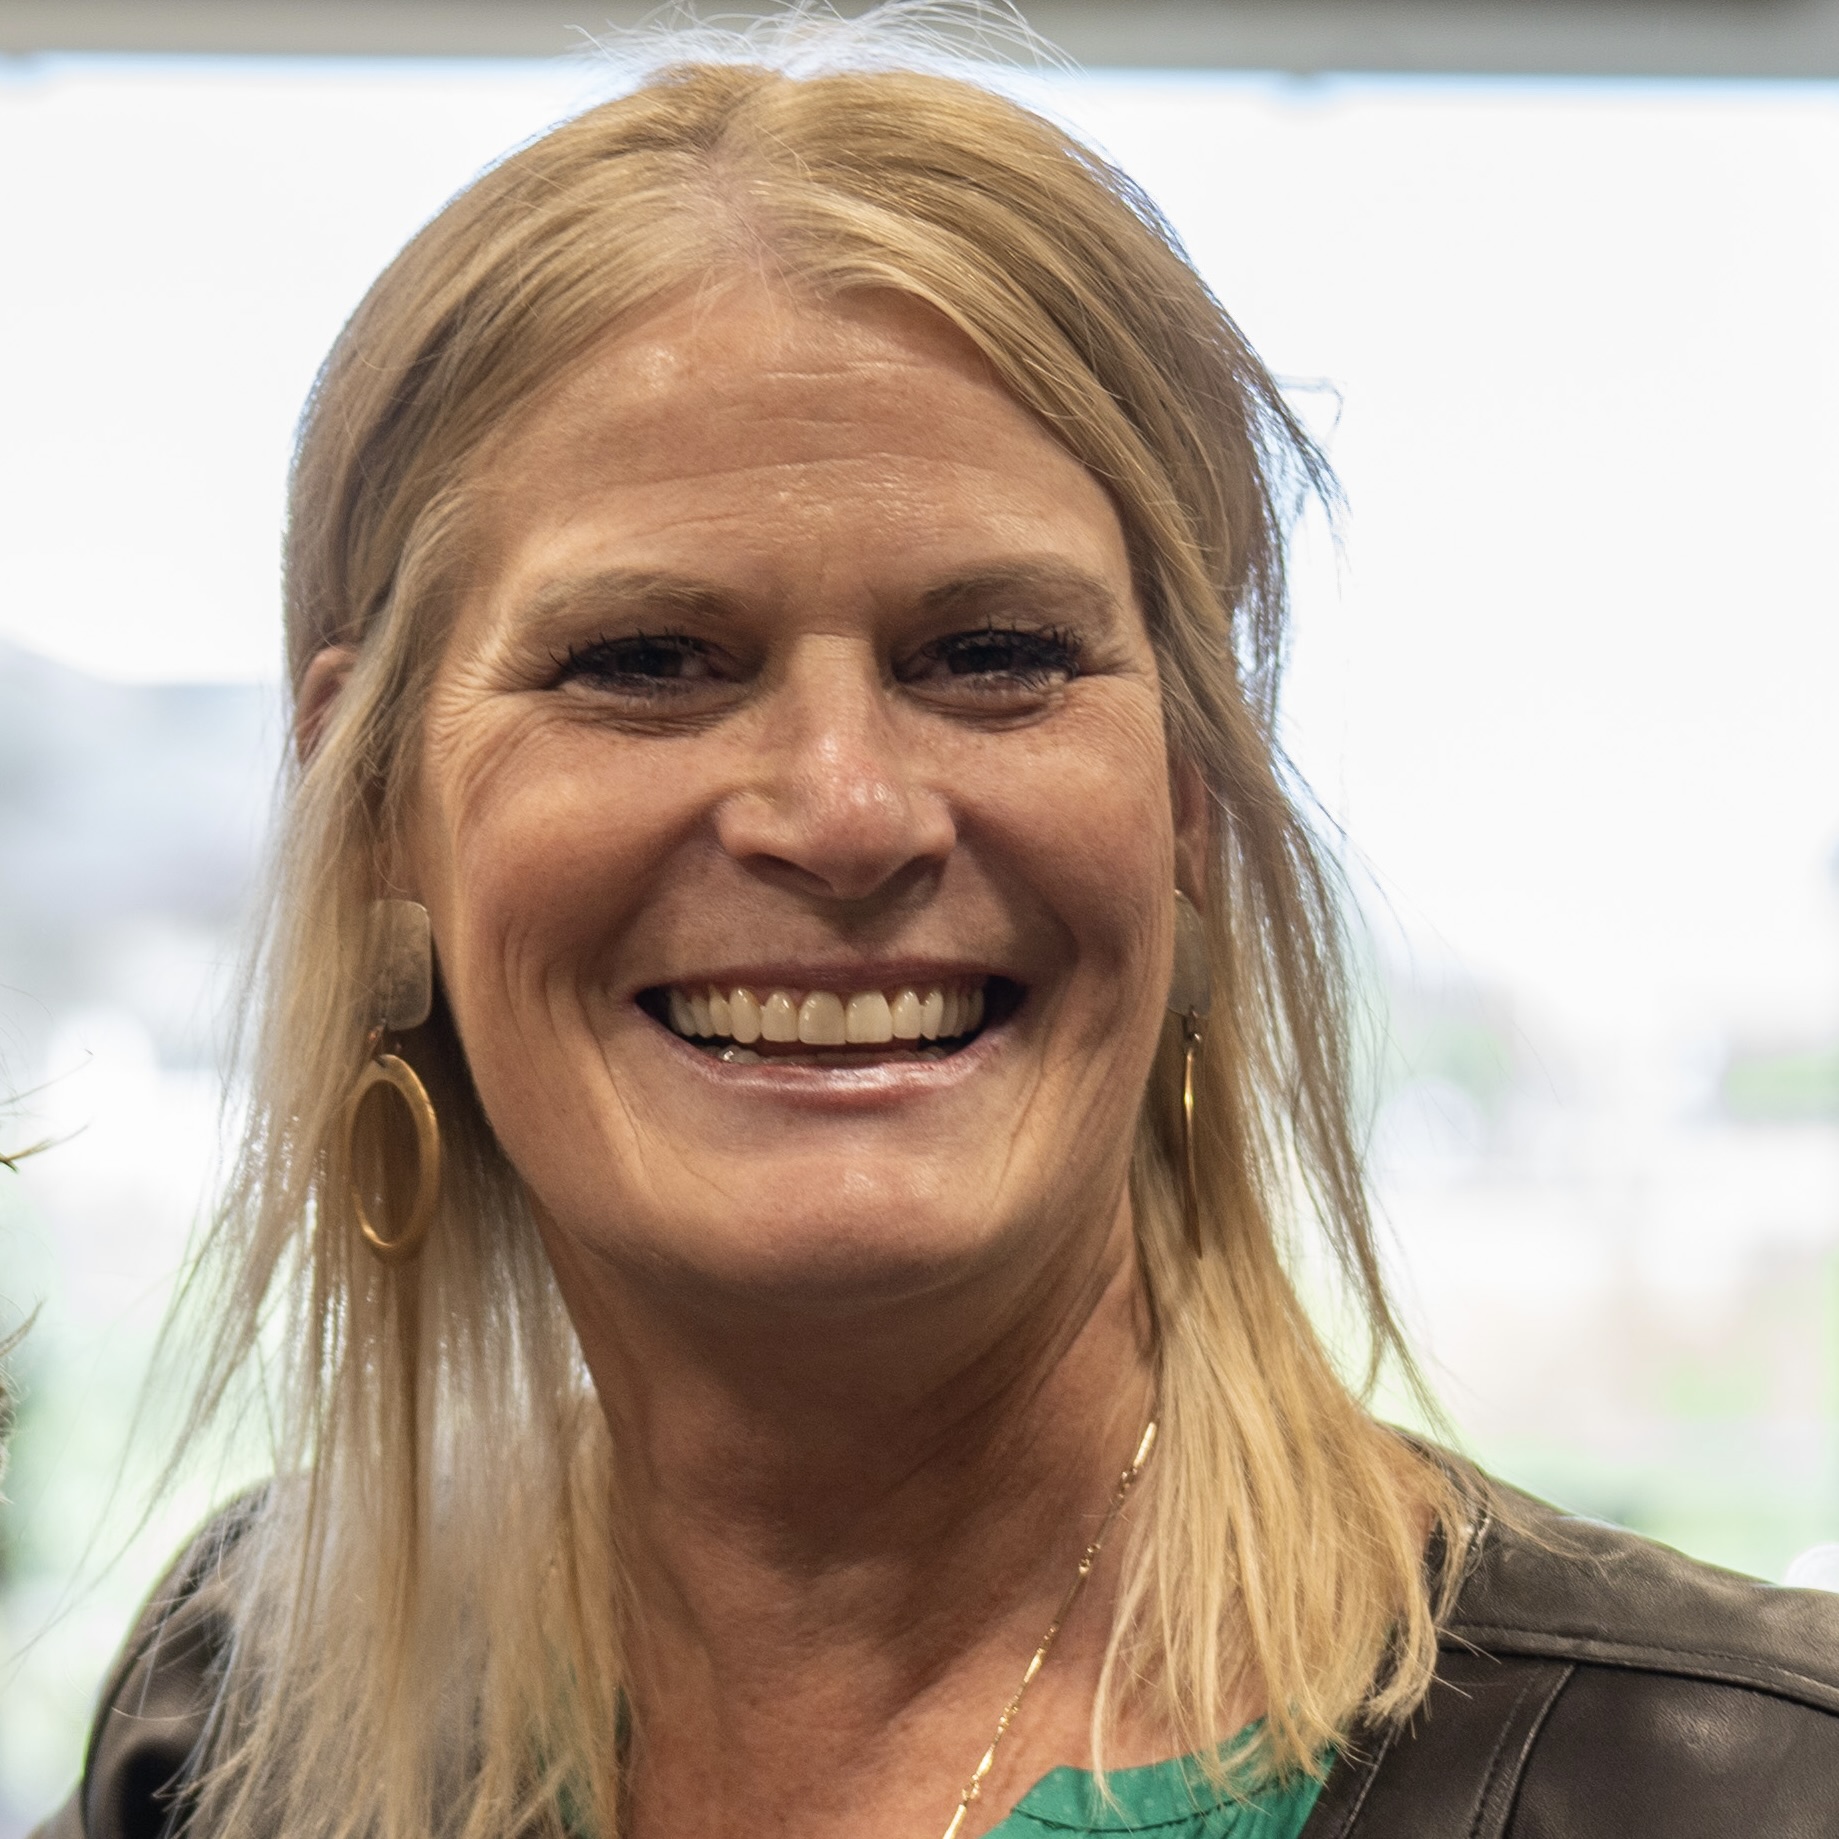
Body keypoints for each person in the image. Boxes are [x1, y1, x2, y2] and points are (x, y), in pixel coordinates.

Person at [31, 20, 1839, 1839]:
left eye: (995, 657)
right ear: (373, 813)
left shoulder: (1749, 1786)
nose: (845, 811)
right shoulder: (230, 1717)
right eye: (647, 662)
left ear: (1190, 807)